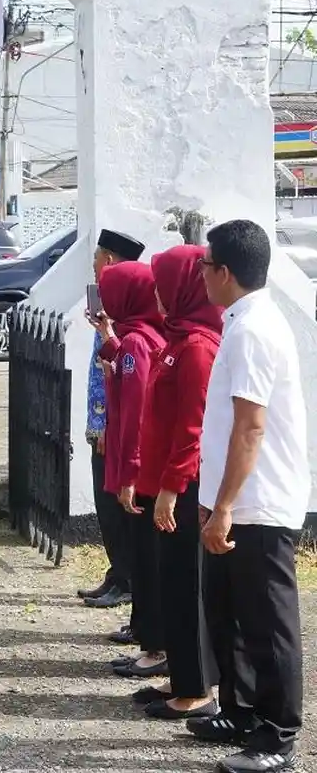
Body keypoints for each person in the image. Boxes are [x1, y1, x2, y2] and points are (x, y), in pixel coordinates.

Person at [190, 220, 308, 773]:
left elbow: (250, 427)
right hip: (235, 499)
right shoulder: (240, 322)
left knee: (268, 622)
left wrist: (227, 504)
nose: (201, 275)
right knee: (231, 615)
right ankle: (240, 712)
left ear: (225, 273)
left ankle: (277, 736)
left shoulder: (254, 329)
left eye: (205, 265)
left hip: (257, 501)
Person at [133, 244, 222, 720]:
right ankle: (180, 677)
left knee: (186, 587)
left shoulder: (197, 348)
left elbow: (192, 427)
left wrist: (170, 488)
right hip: (165, 482)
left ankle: (195, 691)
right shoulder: (177, 339)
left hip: (182, 488)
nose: (159, 297)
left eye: (164, 287)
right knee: (171, 584)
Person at [93, 261, 167, 680]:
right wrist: (108, 339)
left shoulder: (139, 341)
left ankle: (154, 644)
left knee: (146, 558)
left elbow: (136, 409)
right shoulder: (135, 336)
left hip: (139, 467)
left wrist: (130, 473)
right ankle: (147, 634)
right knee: (142, 555)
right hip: (135, 463)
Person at [79, 229, 146, 617]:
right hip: (101, 420)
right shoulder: (110, 303)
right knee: (106, 506)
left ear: (110, 261)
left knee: (116, 507)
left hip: (111, 425)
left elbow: (120, 370)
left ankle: (126, 577)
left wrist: (103, 422)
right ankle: (116, 571)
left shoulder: (126, 307)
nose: (93, 263)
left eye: (98, 257)